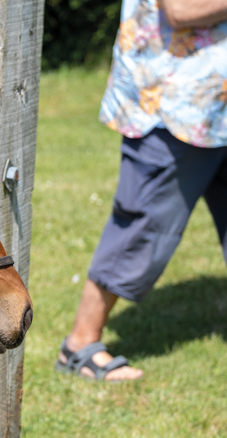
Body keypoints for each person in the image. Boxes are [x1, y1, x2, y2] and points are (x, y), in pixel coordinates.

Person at [56, 0, 227, 381]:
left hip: (217, 105)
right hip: (177, 103)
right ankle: (79, 346)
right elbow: (181, 10)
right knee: (143, 223)